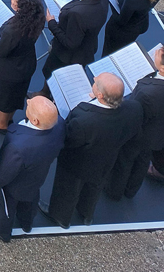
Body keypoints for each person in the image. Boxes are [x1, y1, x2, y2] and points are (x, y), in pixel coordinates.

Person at [41, 73, 142, 229]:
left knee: (68, 189)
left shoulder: (84, 118)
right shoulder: (133, 109)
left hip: (77, 163)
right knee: (94, 187)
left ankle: (60, 216)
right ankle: (87, 214)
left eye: (96, 82)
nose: (93, 81)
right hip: (106, 160)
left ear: (100, 95)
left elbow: (69, 141)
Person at [0, 96, 65, 242]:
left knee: (5, 207)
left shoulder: (19, 146)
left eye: (30, 105)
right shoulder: (59, 125)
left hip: (14, 185)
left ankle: (2, 231)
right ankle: (27, 224)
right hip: (36, 177)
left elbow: (6, 172)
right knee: (30, 200)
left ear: (35, 121)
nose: (27, 101)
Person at [109, 45, 164, 199]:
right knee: (142, 162)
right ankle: (131, 190)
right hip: (157, 136)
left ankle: (115, 191)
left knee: (125, 162)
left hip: (138, 135)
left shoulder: (148, 93)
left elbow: (133, 114)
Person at [0, 0, 47, 132]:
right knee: (16, 96)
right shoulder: (37, 18)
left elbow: (1, 51)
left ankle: (2, 126)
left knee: (4, 100)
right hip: (26, 65)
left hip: (9, 71)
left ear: (20, 7)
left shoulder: (12, 30)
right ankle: (9, 118)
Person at [42, 0, 109, 79]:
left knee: (53, 77)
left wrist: (51, 23)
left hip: (67, 57)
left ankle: (44, 93)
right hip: (87, 49)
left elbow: (70, 43)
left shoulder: (77, 14)